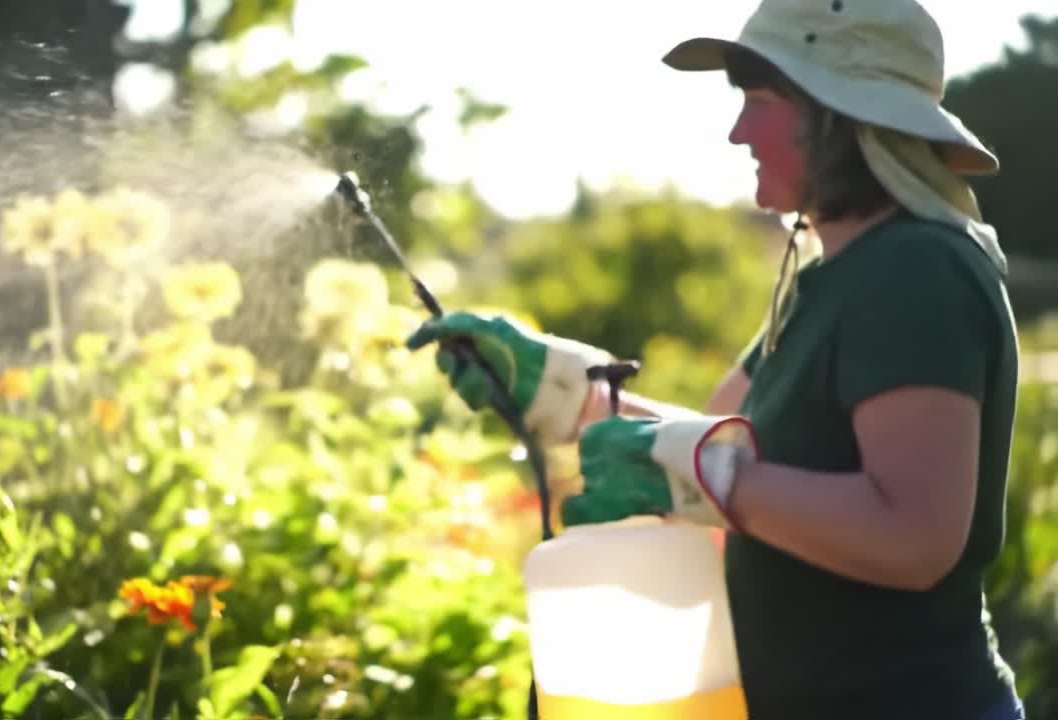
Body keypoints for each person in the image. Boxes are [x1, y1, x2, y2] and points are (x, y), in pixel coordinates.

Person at [404, 0, 1027, 718]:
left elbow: (913, 535)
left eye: (758, 103)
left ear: (838, 116)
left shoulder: (915, 271)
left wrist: (697, 468)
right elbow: (722, 440)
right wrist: (557, 384)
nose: (736, 132)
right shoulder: (830, 280)